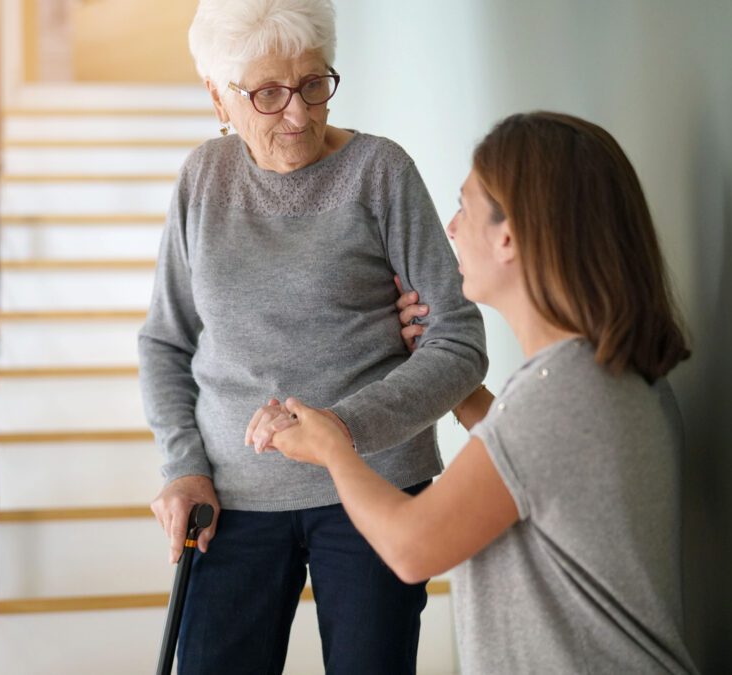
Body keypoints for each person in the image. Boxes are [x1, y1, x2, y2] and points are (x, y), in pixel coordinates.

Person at [266, 112, 700, 673]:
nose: (450, 226)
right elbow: (530, 472)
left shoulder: (559, 396)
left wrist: (332, 448)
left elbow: (410, 547)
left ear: (509, 236)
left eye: (465, 206)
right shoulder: (603, 377)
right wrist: (449, 379)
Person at [136, 0, 489, 672]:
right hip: (231, 500)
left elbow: (460, 342)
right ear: (219, 94)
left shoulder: (379, 172)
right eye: (268, 94)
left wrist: (336, 430)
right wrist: (183, 465)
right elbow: (164, 342)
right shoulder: (202, 181)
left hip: (375, 482)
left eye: (314, 84)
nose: (298, 114)